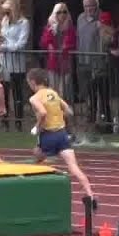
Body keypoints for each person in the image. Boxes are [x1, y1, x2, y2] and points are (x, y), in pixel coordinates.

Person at [27, 68, 97, 200]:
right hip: (62, 134)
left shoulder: (34, 98)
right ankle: (90, 193)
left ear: (32, 82)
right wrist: (57, 115)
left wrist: (36, 127)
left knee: (36, 158)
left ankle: (32, 189)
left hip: (48, 135)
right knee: (73, 166)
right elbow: (69, 111)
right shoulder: (54, 94)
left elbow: (42, 113)